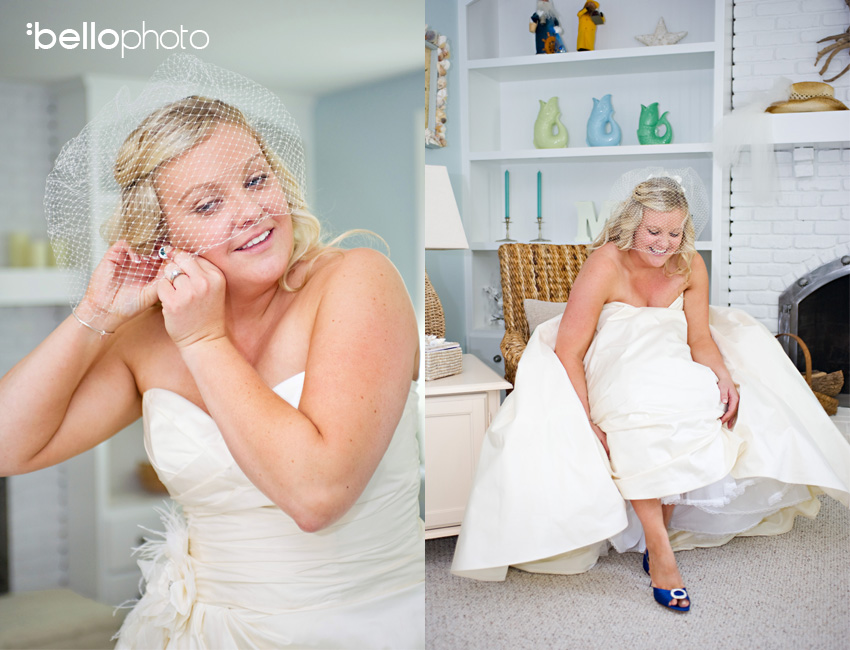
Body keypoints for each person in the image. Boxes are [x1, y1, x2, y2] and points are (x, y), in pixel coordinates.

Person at [0, 56, 423, 648]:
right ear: (164, 237)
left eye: (255, 179)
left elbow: (317, 495)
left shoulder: (357, 281)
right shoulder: (146, 338)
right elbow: (8, 446)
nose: (249, 211)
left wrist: (204, 340)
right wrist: (94, 316)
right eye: (207, 205)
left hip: (359, 623)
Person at [451, 168, 850, 613]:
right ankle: (660, 552)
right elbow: (569, 348)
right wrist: (582, 418)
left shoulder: (690, 265)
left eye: (674, 232)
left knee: (701, 401)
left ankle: (658, 529)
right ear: (631, 225)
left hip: (671, 362)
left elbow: (698, 338)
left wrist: (722, 376)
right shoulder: (606, 261)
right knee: (637, 412)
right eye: (653, 231)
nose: (664, 242)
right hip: (614, 365)